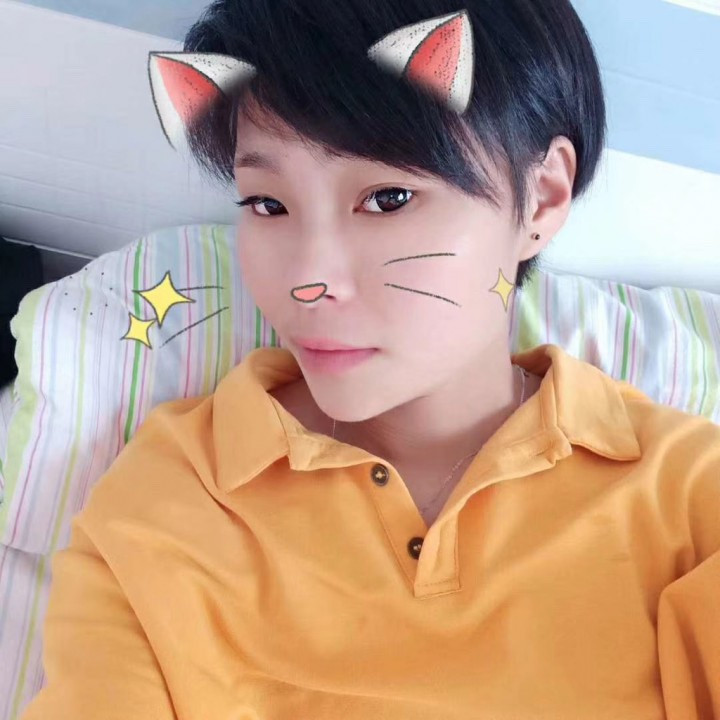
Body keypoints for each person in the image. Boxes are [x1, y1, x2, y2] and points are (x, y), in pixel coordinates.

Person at [20, 1, 720, 719]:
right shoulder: (170, 503)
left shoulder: (691, 498)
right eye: (266, 204)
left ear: (540, 198)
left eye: (388, 198)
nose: (308, 278)